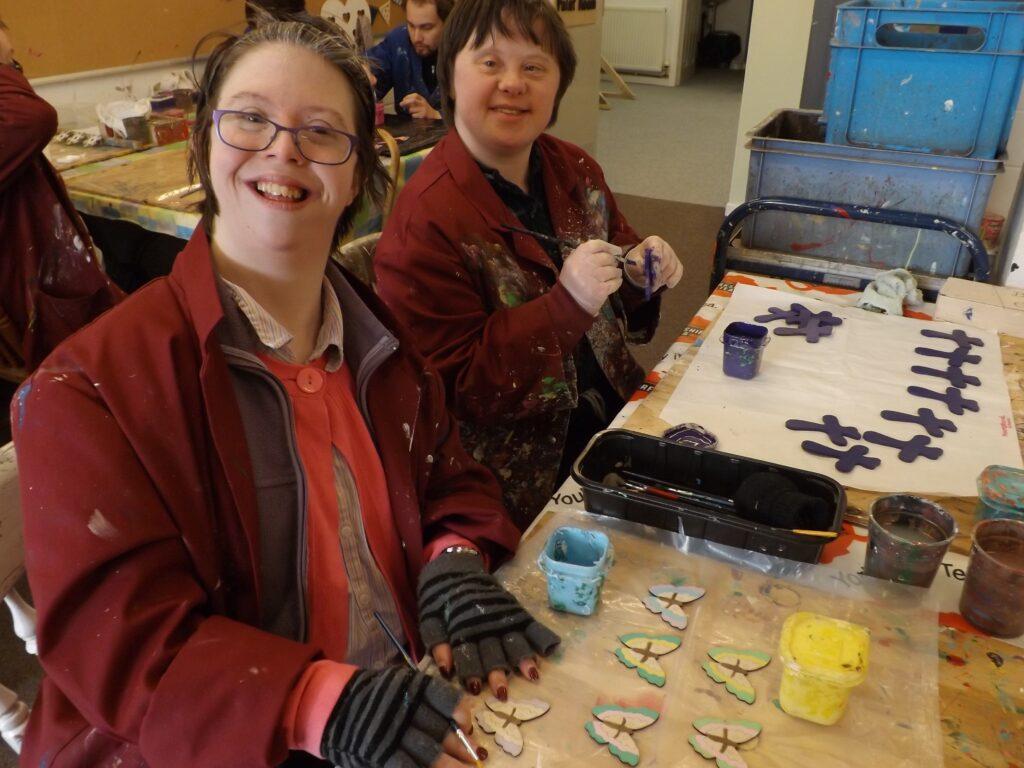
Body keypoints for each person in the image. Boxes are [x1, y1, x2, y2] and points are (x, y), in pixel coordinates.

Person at [13, 14, 558, 768]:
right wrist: (312, 702)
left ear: (361, 178)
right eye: (250, 120)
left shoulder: (381, 341)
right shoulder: (92, 388)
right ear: (205, 146)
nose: (283, 149)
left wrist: (454, 557)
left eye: (321, 131)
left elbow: (449, 476)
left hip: (400, 703)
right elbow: (124, 642)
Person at [375, 0, 684, 530]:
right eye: (490, 63)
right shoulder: (426, 221)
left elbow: (621, 279)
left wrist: (639, 275)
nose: (514, 83)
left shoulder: (573, 167)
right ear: (450, 76)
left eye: (534, 67)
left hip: (612, 419)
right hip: (511, 476)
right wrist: (565, 307)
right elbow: (455, 392)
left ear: (559, 85)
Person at [0, 16, 123, 373]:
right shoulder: (16, 125)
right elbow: (32, 116)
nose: (15, 77)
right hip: (31, 314)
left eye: (14, 66)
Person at [366, 0, 451, 119]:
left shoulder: (465, 51)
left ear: (448, 23)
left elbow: (477, 119)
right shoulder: (398, 41)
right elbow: (370, 67)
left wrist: (436, 115)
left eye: (426, 28)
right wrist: (360, 72)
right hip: (409, 135)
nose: (416, 38)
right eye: (411, 25)